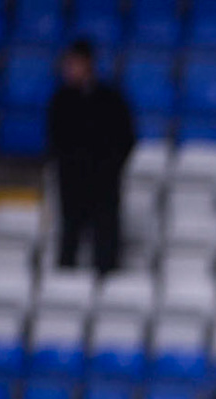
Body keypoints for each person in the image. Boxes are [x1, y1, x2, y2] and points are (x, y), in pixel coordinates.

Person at [45, 38, 135, 276]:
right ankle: (63, 292)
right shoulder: (61, 100)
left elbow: (125, 139)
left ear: (88, 63)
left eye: (74, 63)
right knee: (69, 237)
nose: (69, 69)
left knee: (105, 240)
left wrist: (109, 167)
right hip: (72, 183)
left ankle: (107, 289)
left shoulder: (111, 100)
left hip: (103, 183)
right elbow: (55, 140)